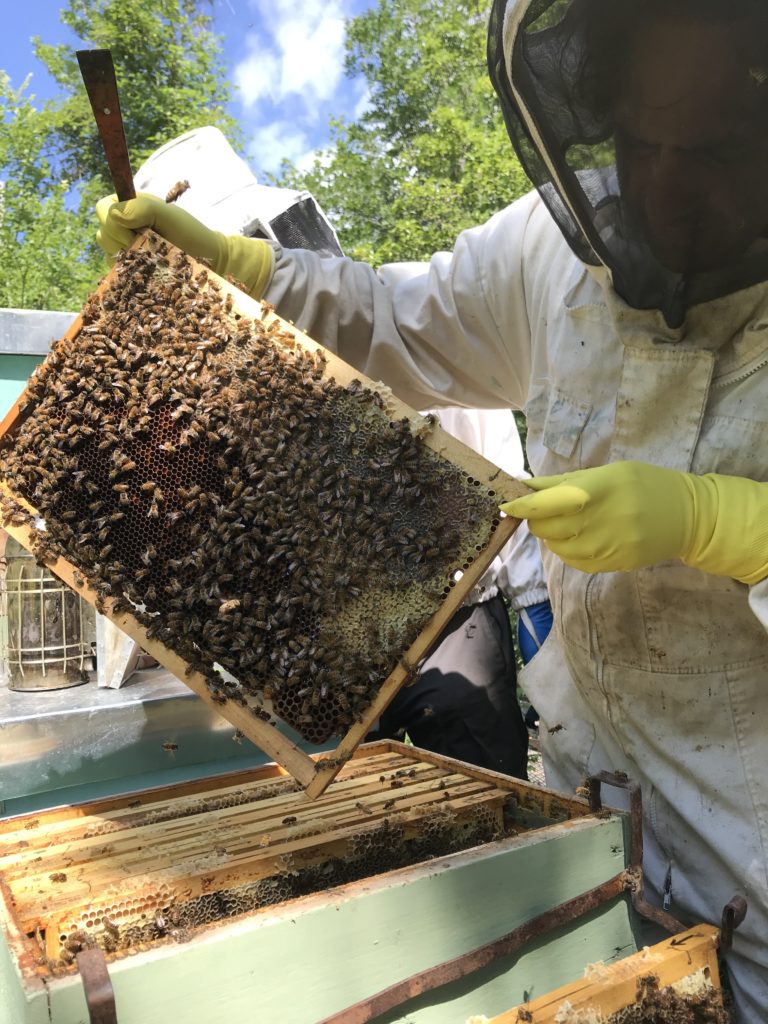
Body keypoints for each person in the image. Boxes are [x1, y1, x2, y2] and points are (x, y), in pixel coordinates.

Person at [96, 1, 768, 1018]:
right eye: (642, 141)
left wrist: (731, 526)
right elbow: (401, 321)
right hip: (591, 823)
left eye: (710, 149)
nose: (666, 183)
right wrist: (250, 274)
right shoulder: (552, 247)